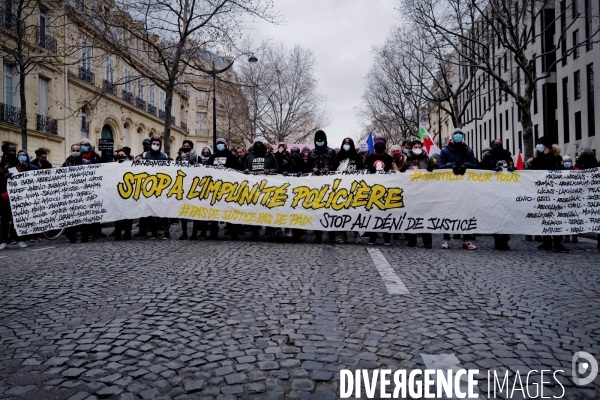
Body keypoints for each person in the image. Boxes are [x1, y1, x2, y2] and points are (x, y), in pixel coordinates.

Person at [438, 128, 479, 250]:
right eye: (456, 135)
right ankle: (446, 239)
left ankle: (466, 240)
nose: (458, 137)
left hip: (465, 187)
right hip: (449, 186)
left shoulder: (468, 150)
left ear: (463, 137)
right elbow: (440, 166)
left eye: (460, 135)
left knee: (466, 211)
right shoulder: (445, 151)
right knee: (448, 212)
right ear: (452, 137)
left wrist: (466, 165)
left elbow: (475, 165)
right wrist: (450, 165)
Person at [530, 136, 569, 253]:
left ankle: (557, 242)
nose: (538, 146)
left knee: (557, 217)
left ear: (546, 146)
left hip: (556, 192)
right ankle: (547, 241)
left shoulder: (557, 158)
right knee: (544, 217)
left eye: (540, 144)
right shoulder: (537, 159)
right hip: (542, 193)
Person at [479, 139, 516, 250]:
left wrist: (512, 168)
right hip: (493, 189)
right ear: (492, 146)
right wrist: (491, 169)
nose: (498, 146)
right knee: (496, 215)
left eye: (500, 144)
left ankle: (505, 239)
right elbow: (481, 168)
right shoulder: (488, 156)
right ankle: (497, 239)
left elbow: (511, 163)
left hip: (505, 189)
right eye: (496, 145)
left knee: (505, 215)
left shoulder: (506, 153)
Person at [400, 140, 434, 248]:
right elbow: (403, 173)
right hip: (412, 191)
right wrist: (402, 170)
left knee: (425, 215)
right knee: (411, 215)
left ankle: (427, 241)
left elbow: (434, 172)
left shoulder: (427, 158)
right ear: (411, 148)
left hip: (425, 191)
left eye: (419, 146)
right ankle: (411, 239)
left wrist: (431, 168)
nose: (417, 148)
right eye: (415, 147)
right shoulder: (408, 159)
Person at [244, 137, 279, 240]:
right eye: (256, 145)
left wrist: (270, 171)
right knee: (254, 209)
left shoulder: (270, 156)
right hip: (253, 187)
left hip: (267, 187)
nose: (258, 147)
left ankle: (271, 231)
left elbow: (276, 168)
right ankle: (254, 232)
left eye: (260, 145)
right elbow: (244, 167)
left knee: (269, 209)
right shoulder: (249, 156)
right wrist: (246, 170)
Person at [207, 138, 242, 240]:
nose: (220, 145)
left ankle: (233, 232)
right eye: (218, 143)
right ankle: (213, 232)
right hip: (215, 188)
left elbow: (238, 171)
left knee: (230, 210)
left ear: (226, 145)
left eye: (222, 143)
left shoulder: (232, 157)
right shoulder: (212, 157)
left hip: (229, 188)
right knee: (214, 211)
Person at [308, 130, 337, 243]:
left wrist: (329, 169)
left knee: (331, 209)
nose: (319, 140)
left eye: (321, 138)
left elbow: (335, 165)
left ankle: (331, 234)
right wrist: (313, 169)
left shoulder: (331, 152)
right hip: (315, 185)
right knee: (317, 209)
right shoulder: (311, 153)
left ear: (325, 139)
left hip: (329, 184)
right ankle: (318, 234)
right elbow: (308, 166)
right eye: (317, 138)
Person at [364, 137, 393, 245]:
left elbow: (395, 172)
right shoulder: (370, 157)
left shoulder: (389, 158)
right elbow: (363, 170)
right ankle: (372, 237)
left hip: (387, 190)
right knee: (372, 214)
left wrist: (389, 170)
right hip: (372, 190)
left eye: (381, 145)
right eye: (377, 145)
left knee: (387, 215)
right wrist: (368, 168)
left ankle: (387, 238)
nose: (379, 147)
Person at [335, 138, 364, 243]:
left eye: (348, 143)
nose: (346, 144)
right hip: (341, 188)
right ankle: (342, 234)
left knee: (355, 211)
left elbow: (361, 170)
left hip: (354, 187)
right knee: (341, 211)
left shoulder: (357, 156)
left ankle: (356, 234)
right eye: (345, 143)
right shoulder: (338, 156)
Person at [112, 149, 133, 240]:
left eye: (122, 154)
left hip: (129, 192)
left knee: (129, 213)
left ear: (126, 155)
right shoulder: (113, 165)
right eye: (119, 155)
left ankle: (127, 233)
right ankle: (118, 233)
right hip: (117, 192)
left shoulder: (131, 165)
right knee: (118, 214)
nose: (120, 156)